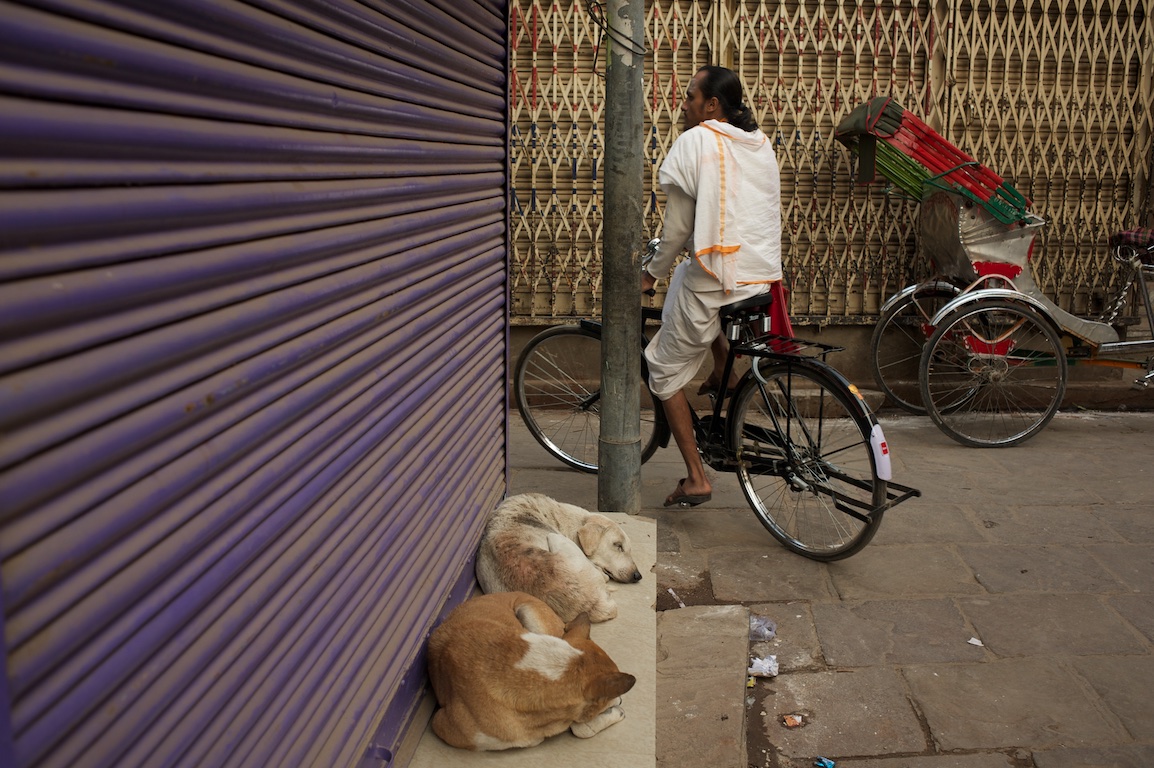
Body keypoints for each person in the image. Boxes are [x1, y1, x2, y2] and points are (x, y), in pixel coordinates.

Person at [641, 65, 792, 508]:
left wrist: (649, 274)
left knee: (663, 372)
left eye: (690, 96)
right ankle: (724, 369)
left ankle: (695, 478)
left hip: (719, 280)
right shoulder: (758, 142)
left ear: (712, 105)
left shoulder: (697, 141)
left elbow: (677, 231)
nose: (682, 104)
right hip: (759, 275)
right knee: (688, 286)